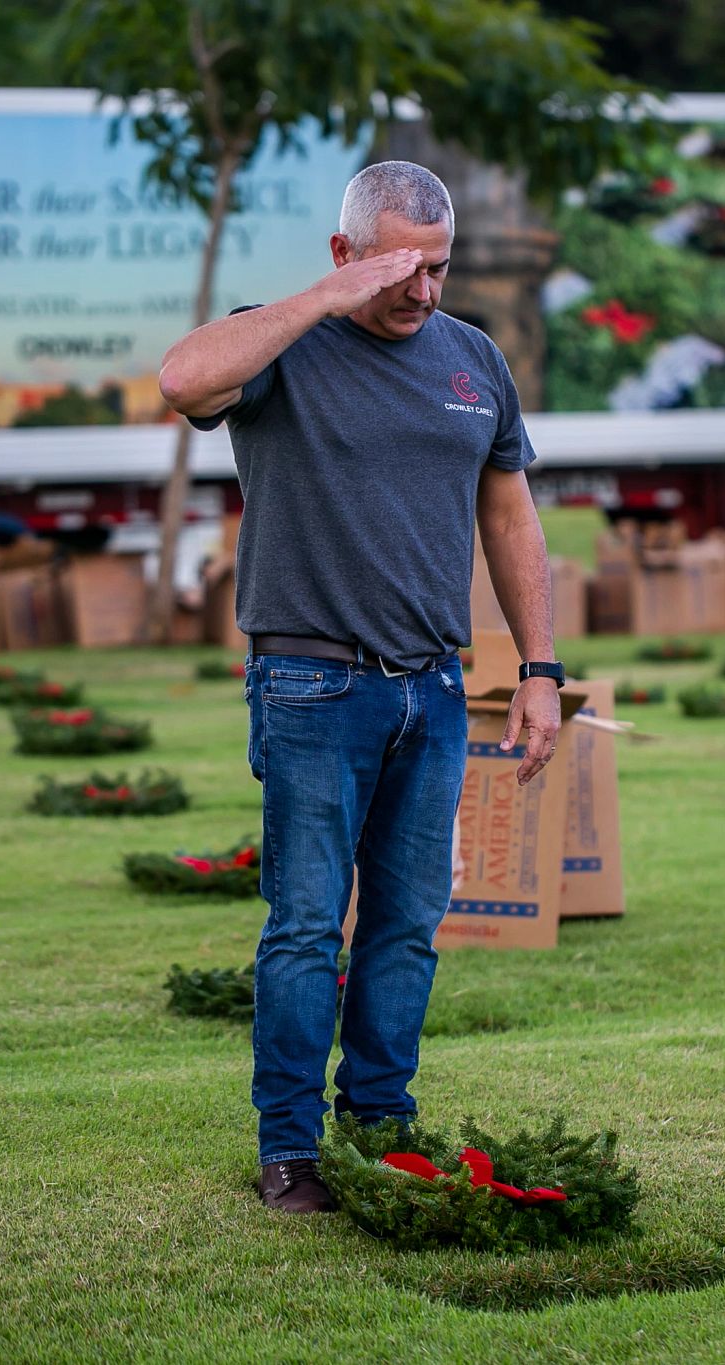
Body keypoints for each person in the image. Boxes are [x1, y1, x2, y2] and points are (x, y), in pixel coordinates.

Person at [158, 160, 564, 1214]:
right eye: (395, 267)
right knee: (303, 923)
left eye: (437, 266)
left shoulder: (473, 360)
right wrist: (322, 302)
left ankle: (378, 1126)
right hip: (309, 685)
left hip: (430, 690)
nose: (420, 290)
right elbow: (181, 380)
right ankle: (288, 1148)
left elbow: (511, 519)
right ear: (343, 253)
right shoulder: (287, 345)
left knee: (404, 923)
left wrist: (538, 671)